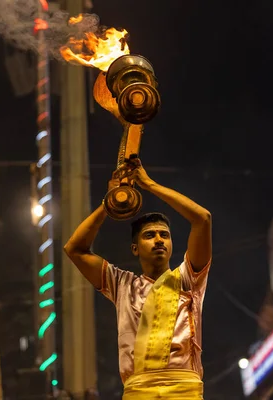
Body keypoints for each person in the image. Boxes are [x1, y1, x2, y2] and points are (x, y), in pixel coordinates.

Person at [63, 158, 212, 400]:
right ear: (135, 248)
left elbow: (202, 219)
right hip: (138, 391)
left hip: (183, 389)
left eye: (164, 235)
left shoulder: (188, 279)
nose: (159, 240)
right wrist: (109, 202)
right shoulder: (123, 285)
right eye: (149, 235)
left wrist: (149, 184)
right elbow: (75, 249)